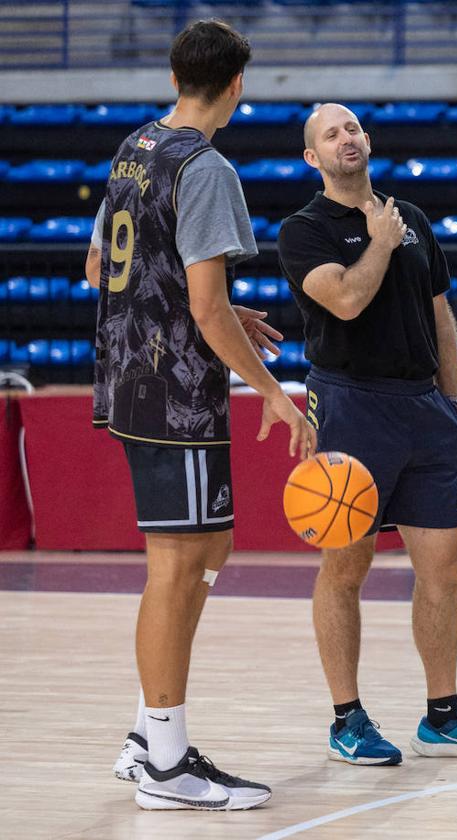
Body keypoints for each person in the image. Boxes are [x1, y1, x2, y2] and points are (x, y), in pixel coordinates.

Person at [86, 19, 316, 809]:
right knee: (178, 568)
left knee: (209, 544)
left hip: (129, 378)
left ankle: (148, 735)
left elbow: (100, 267)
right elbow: (208, 312)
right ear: (238, 85)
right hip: (171, 395)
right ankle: (166, 765)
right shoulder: (208, 167)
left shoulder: (134, 148)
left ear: (178, 73)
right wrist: (276, 393)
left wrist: (202, 306)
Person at [276, 103, 457, 766]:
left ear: (368, 139)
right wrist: (378, 242)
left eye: (352, 128)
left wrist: (452, 401)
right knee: (346, 565)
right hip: (353, 404)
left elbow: (441, 317)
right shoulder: (303, 231)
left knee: (445, 566)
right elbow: (347, 301)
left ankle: (442, 715)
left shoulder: (410, 217)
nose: (345, 138)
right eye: (330, 134)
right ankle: (346, 719)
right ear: (312, 158)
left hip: (425, 409)